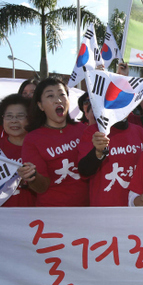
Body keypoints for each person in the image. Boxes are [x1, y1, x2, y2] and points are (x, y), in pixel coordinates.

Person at [18, 77, 89, 206]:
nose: (58, 100)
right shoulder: (32, 139)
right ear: (40, 105)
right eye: (50, 96)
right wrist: (32, 176)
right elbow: (41, 187)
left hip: (87, 210)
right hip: (52, 214)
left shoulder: (83, 130)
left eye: (62, 94)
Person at [77, 114, 143, 207]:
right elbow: (84, 171)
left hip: (134, 207)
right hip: (105, 208)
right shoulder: (93, 132)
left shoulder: (139, 131)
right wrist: (98, 152)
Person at [0, 93, 36, 207]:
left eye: (20, 116)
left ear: (30, 118)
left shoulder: (39, 145)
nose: (14, 121)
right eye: (9, 116)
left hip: (35, 214)